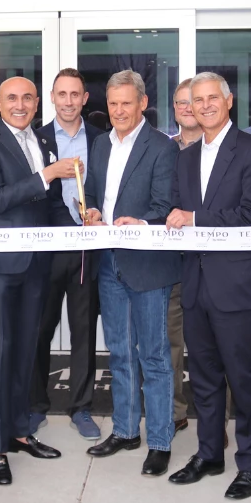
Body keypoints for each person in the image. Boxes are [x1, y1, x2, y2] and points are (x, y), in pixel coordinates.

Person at [165, 71, 251, 500]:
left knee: (246, 382)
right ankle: (209, 454)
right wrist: (143, 224)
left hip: (240, 287)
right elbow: (173, 211)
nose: (205, 105)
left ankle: (250, 465)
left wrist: (193, 219)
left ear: (229, 102)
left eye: (213, 98)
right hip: (196, 285)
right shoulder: (186, 157)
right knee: (205, 381)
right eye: (197, 100)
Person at [0, 76, 77, 486]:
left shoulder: (40, 141)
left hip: (35, 264)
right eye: (12, 98)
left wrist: (86, 221)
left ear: (37, 103)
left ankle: (17, 431)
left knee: (25, 354)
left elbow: (48, 204)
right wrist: (47, 174)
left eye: (27, 98)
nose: (20, 104)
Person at [82, 71, 180, 476]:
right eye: (114, 104)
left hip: (148, 265)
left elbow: (165, 204)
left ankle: (159, 441)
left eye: (127, 103)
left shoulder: (162, 147)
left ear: (143, 103)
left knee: (154, 356)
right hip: (109, 263)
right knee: (120, 354)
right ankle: (125, 431)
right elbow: (92, 191)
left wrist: (139, 221)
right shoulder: (100, 144)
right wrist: (88, 210)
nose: (119, 111)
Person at [31, 69, 104, 441]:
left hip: (87, 251)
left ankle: (81, 408)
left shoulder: (101, 139)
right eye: (62, 94)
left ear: (85, 98)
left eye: (76, 94)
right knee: (40, 330)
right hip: (47, 252)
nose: (69, 101)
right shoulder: (35, 138)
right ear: (53, 98)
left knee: (83, 333)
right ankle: (35, 406)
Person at [166, 78, 201, 432]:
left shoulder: (221, 149)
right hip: (171, 264)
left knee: (212, 349)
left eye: (193, 101)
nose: (187, 108)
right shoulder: (163, 150)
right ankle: (176, 412)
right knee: (171, 344)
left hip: (213, 264)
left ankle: (214, 418)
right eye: (180, 103)